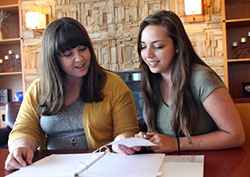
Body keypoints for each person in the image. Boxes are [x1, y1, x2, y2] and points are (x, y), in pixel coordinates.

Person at [5, 17, 139, 170]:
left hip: (103, 167)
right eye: (68, 54)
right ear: (54, 59)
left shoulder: (114, 85)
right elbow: (25, 128)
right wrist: (21, 147)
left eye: (82, 49)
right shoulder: (38, 89)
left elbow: (126, 131)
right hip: (52, 168)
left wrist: (123, 140)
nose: (79, 58)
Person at [134, 10, 245, 153]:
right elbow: (157, 136)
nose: (148, 54)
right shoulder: (152, 82)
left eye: (158, 46)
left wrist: (177, 144)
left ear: (178, 47)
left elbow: (235, 136)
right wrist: (144, 140)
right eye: (143, 46)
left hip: (210, 164)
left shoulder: (202, 78)